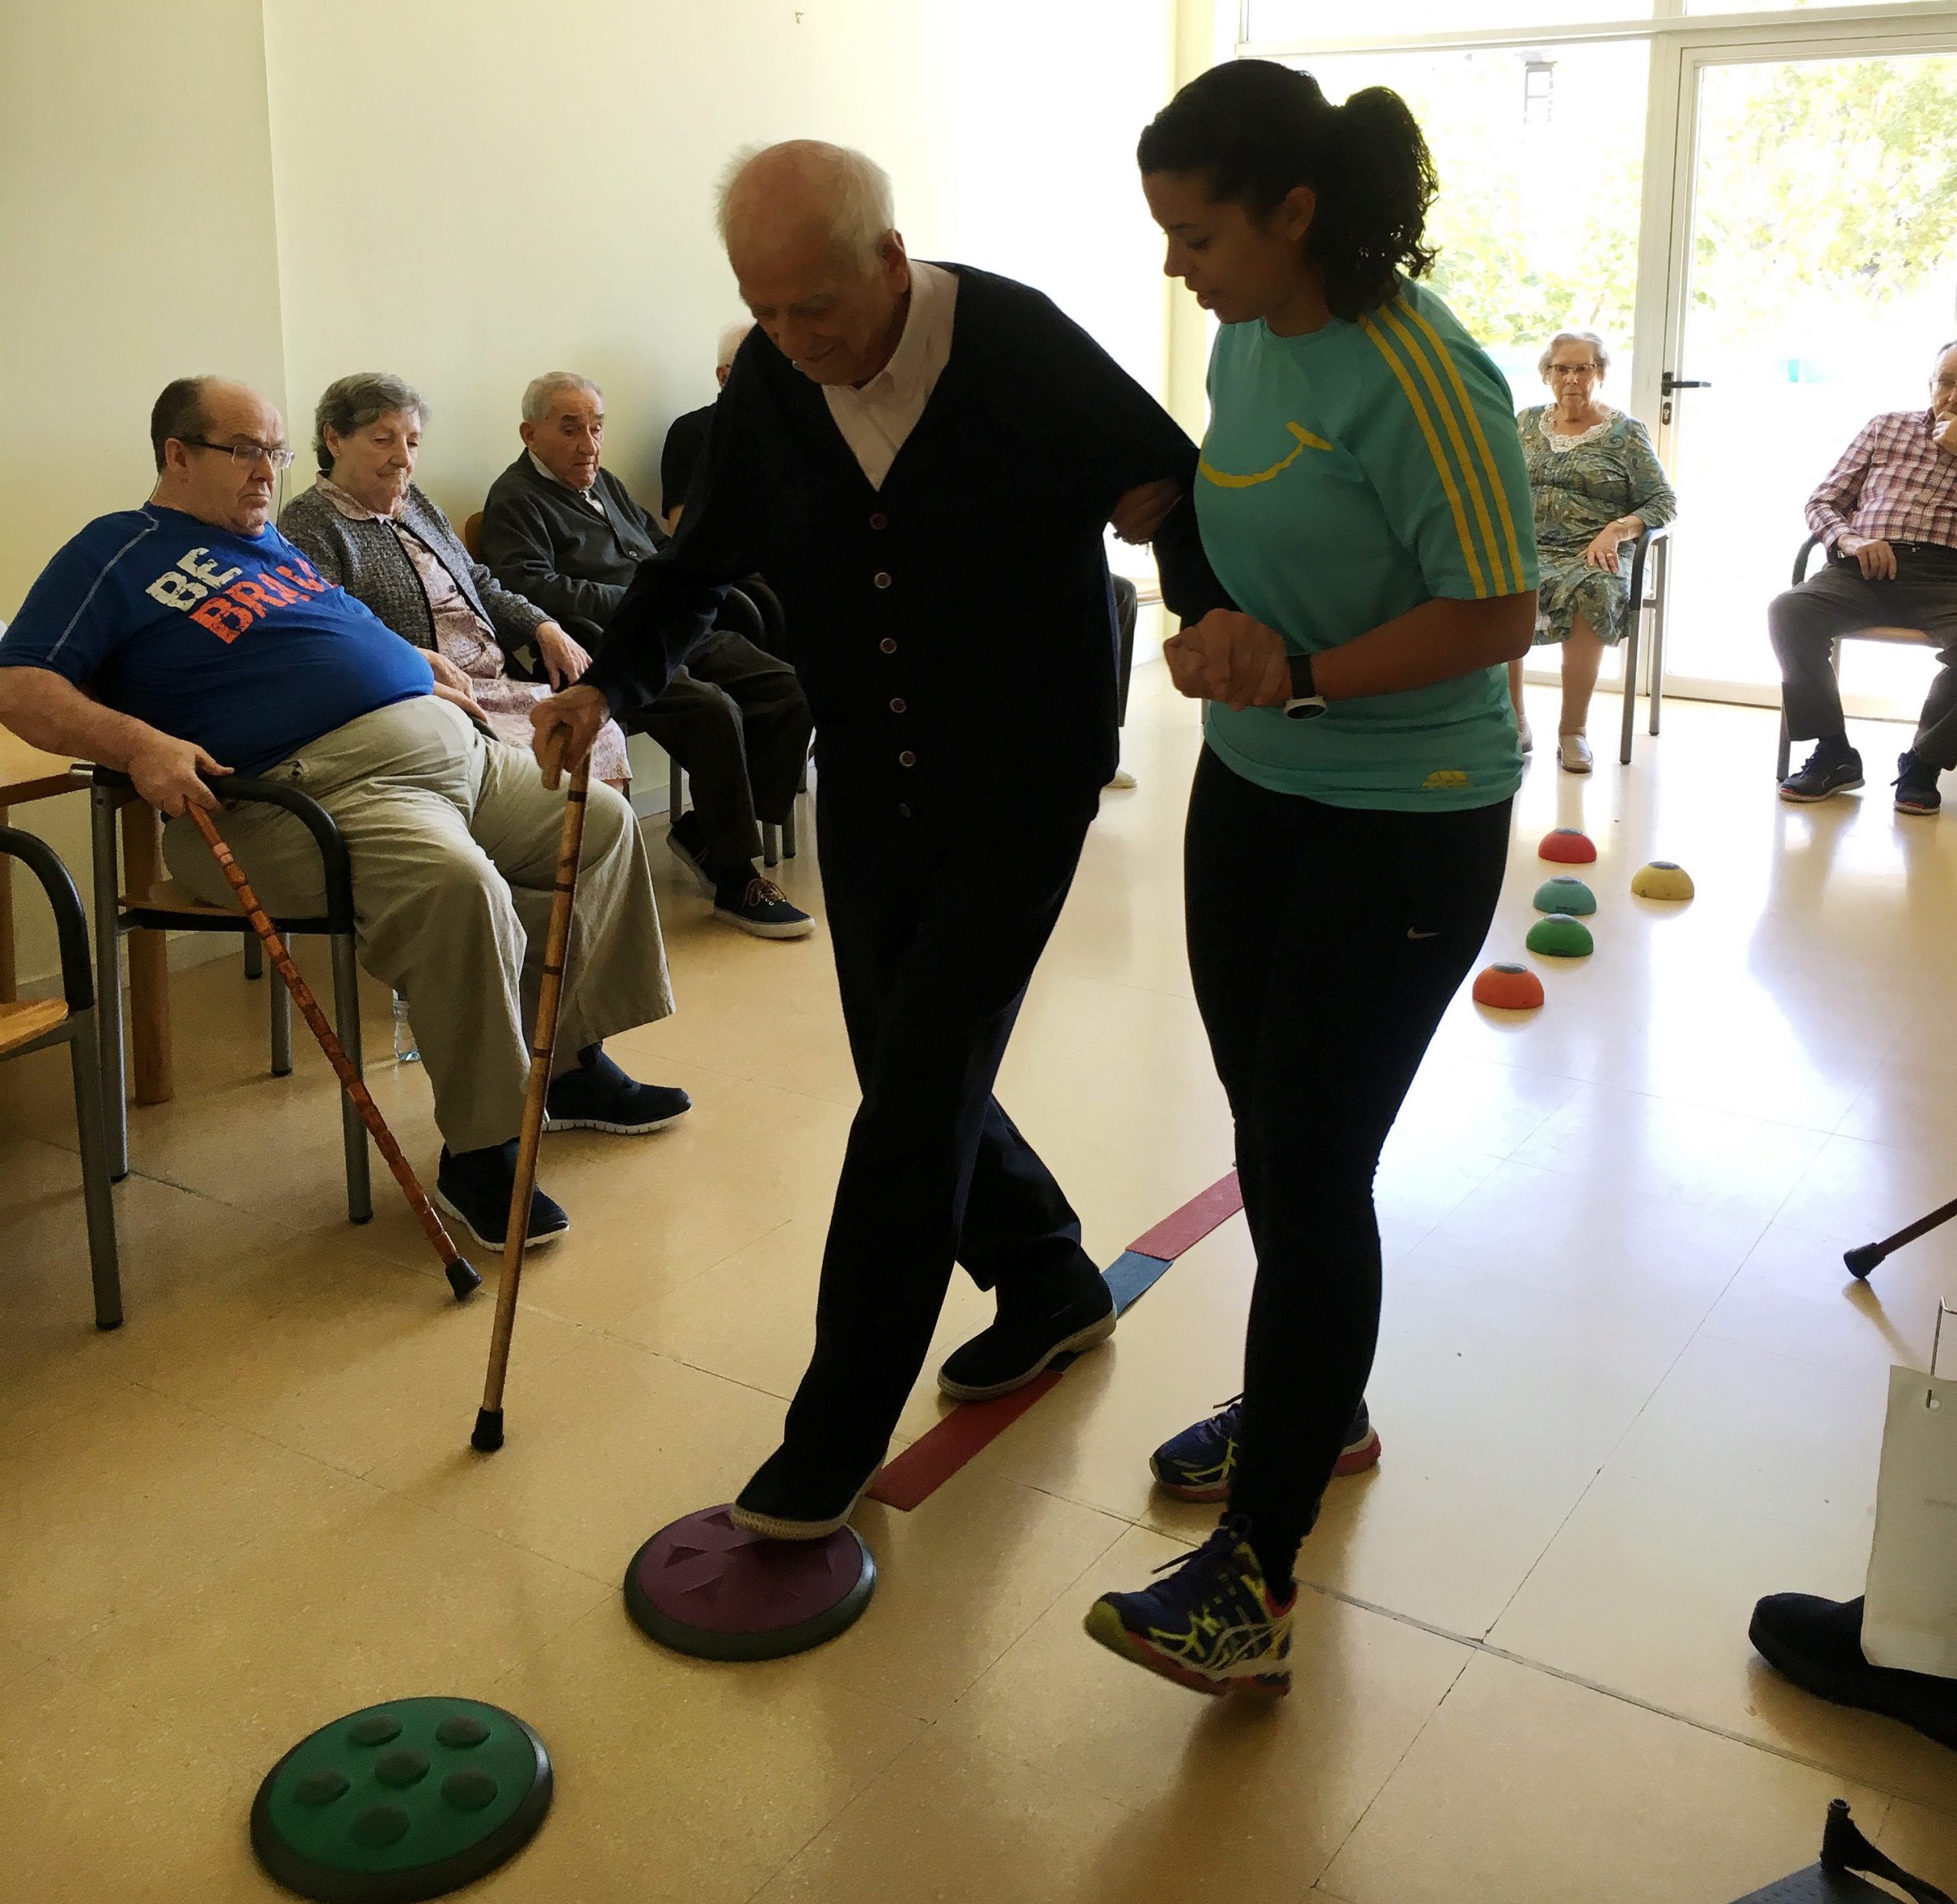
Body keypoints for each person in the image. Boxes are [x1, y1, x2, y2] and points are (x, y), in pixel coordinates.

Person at [534, 139, 1232, 1542]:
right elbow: (694, 562)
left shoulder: (1016, 343)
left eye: (818, 311)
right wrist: (606, 680)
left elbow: (1166, 477)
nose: (793, 343)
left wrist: (1202, 602)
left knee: (913, 1093)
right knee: (906, 1054)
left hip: (1021, 773)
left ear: (891, 262)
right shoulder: (777, 393)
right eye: (764, 312)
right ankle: (1047, 1279)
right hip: (870, 777)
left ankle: (838, 1422)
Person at [1082, 61, 1537, 1696]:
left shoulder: (1422, 378)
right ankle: (1313, 1408)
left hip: (1401, 814)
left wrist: (1300, 679)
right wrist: (1181, 550)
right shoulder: (1244, 334)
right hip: (1256, 790)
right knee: (1265, 1126)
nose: (1171, 266)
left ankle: (1255, 1577)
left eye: (1194, 232)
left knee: (1306, 1152)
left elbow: (1496, 615)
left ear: (1292, 212)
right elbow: (1246, 533)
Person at [0, 378, 681, 1250]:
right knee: (459, 885)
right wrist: (135, 743)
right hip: (304, 792)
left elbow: (335, 625)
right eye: (246, 450)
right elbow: (21, 681)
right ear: (176, 454)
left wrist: (407, 660)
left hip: (447, 751)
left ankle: (571, 1065)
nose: (268, 473)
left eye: (276, 452)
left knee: (604, 826)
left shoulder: (271, 544)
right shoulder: (117, 551)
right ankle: (483, 1148)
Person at [481, 371, 814, 938]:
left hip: (670, 627)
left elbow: (662, 550)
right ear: (529, 433)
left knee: (788, 688)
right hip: (608, 648)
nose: (589, 444)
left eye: (596, 428)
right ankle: (736, 878)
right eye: (571, 429)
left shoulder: (603, 482)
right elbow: (531, 586)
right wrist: (639, 601)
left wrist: (693, 586)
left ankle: (705, 832)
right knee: (714, 711)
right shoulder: (514, 498)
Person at [278, 372, 633, 791]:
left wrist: (544, 626)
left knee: (596, 729)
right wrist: (420, 661)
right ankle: (536, 854)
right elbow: (338, 633)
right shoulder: (310, 522)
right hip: (424, 697)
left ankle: (591, 855)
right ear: (334, 440)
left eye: (412, 442)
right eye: (383, 440)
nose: (402, 458)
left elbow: (479, 581)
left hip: (494, 681)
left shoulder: (416, 504)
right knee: (529, 760)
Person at [1773, 339, 1957, 816]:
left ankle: (1924, 764)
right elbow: (1823, 502)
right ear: (1932, 385)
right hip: (1863, 567)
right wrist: (1851, 541)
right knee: (1790, 610)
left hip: (1947, 578)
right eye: (1948, 383)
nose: (1953, 397)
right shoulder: (1887, 427)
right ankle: (1834, 753)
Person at [1512, 331, 1676, 774]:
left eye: (1583, 368)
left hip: (1594, 550)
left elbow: (1663, 501)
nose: (1572, 378)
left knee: (1595, 589)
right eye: (1562, 368)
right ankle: (1515, 722)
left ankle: (1573, 730)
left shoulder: (1625, 432)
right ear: (1548, 375)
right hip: (1529, 546)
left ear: (1600, 373)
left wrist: (1617, 530)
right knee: (1501, 583)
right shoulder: (1525, 423)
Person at [660, 323, 751, 528]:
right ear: (723, 376)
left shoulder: (797, 425)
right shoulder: (692, 432)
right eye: (756, 368)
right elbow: (682, 529)